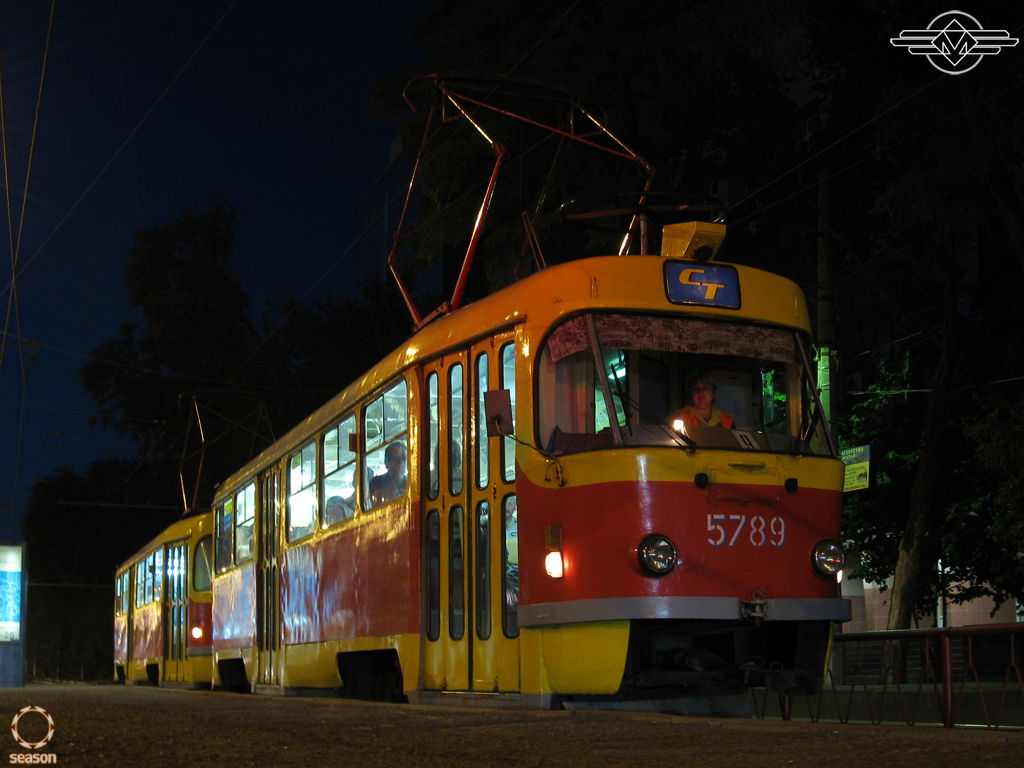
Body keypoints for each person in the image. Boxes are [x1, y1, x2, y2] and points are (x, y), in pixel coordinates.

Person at [368, 441, 408, 506]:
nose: (401, 463)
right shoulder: (376, 482)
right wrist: (396, 479)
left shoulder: (411, 482)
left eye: (404, 459)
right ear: (387, 462)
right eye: (396, 459)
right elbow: (378, 504)